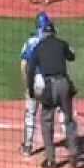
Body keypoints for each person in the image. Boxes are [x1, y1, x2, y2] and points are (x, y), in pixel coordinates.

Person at [27, 22, 78, 168]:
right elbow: (71, 57)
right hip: (64, 85)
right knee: (69, 120)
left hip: (48, 87)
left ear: (43, 33)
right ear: (54, 32)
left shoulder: (38, 47)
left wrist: (31, 90)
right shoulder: (62, 44)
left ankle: (51, 160)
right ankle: (73, 154)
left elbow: (30, 70)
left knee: (47, 121)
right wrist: (70, 51)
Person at [19, 11, 52, 156]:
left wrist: (27, 84)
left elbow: (23, 65)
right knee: (49, 114)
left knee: (30, 113)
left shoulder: (29, 42)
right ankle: (51, 149)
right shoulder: (52, 42)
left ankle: (27, 147)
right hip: (48, 82)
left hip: (34, 81)